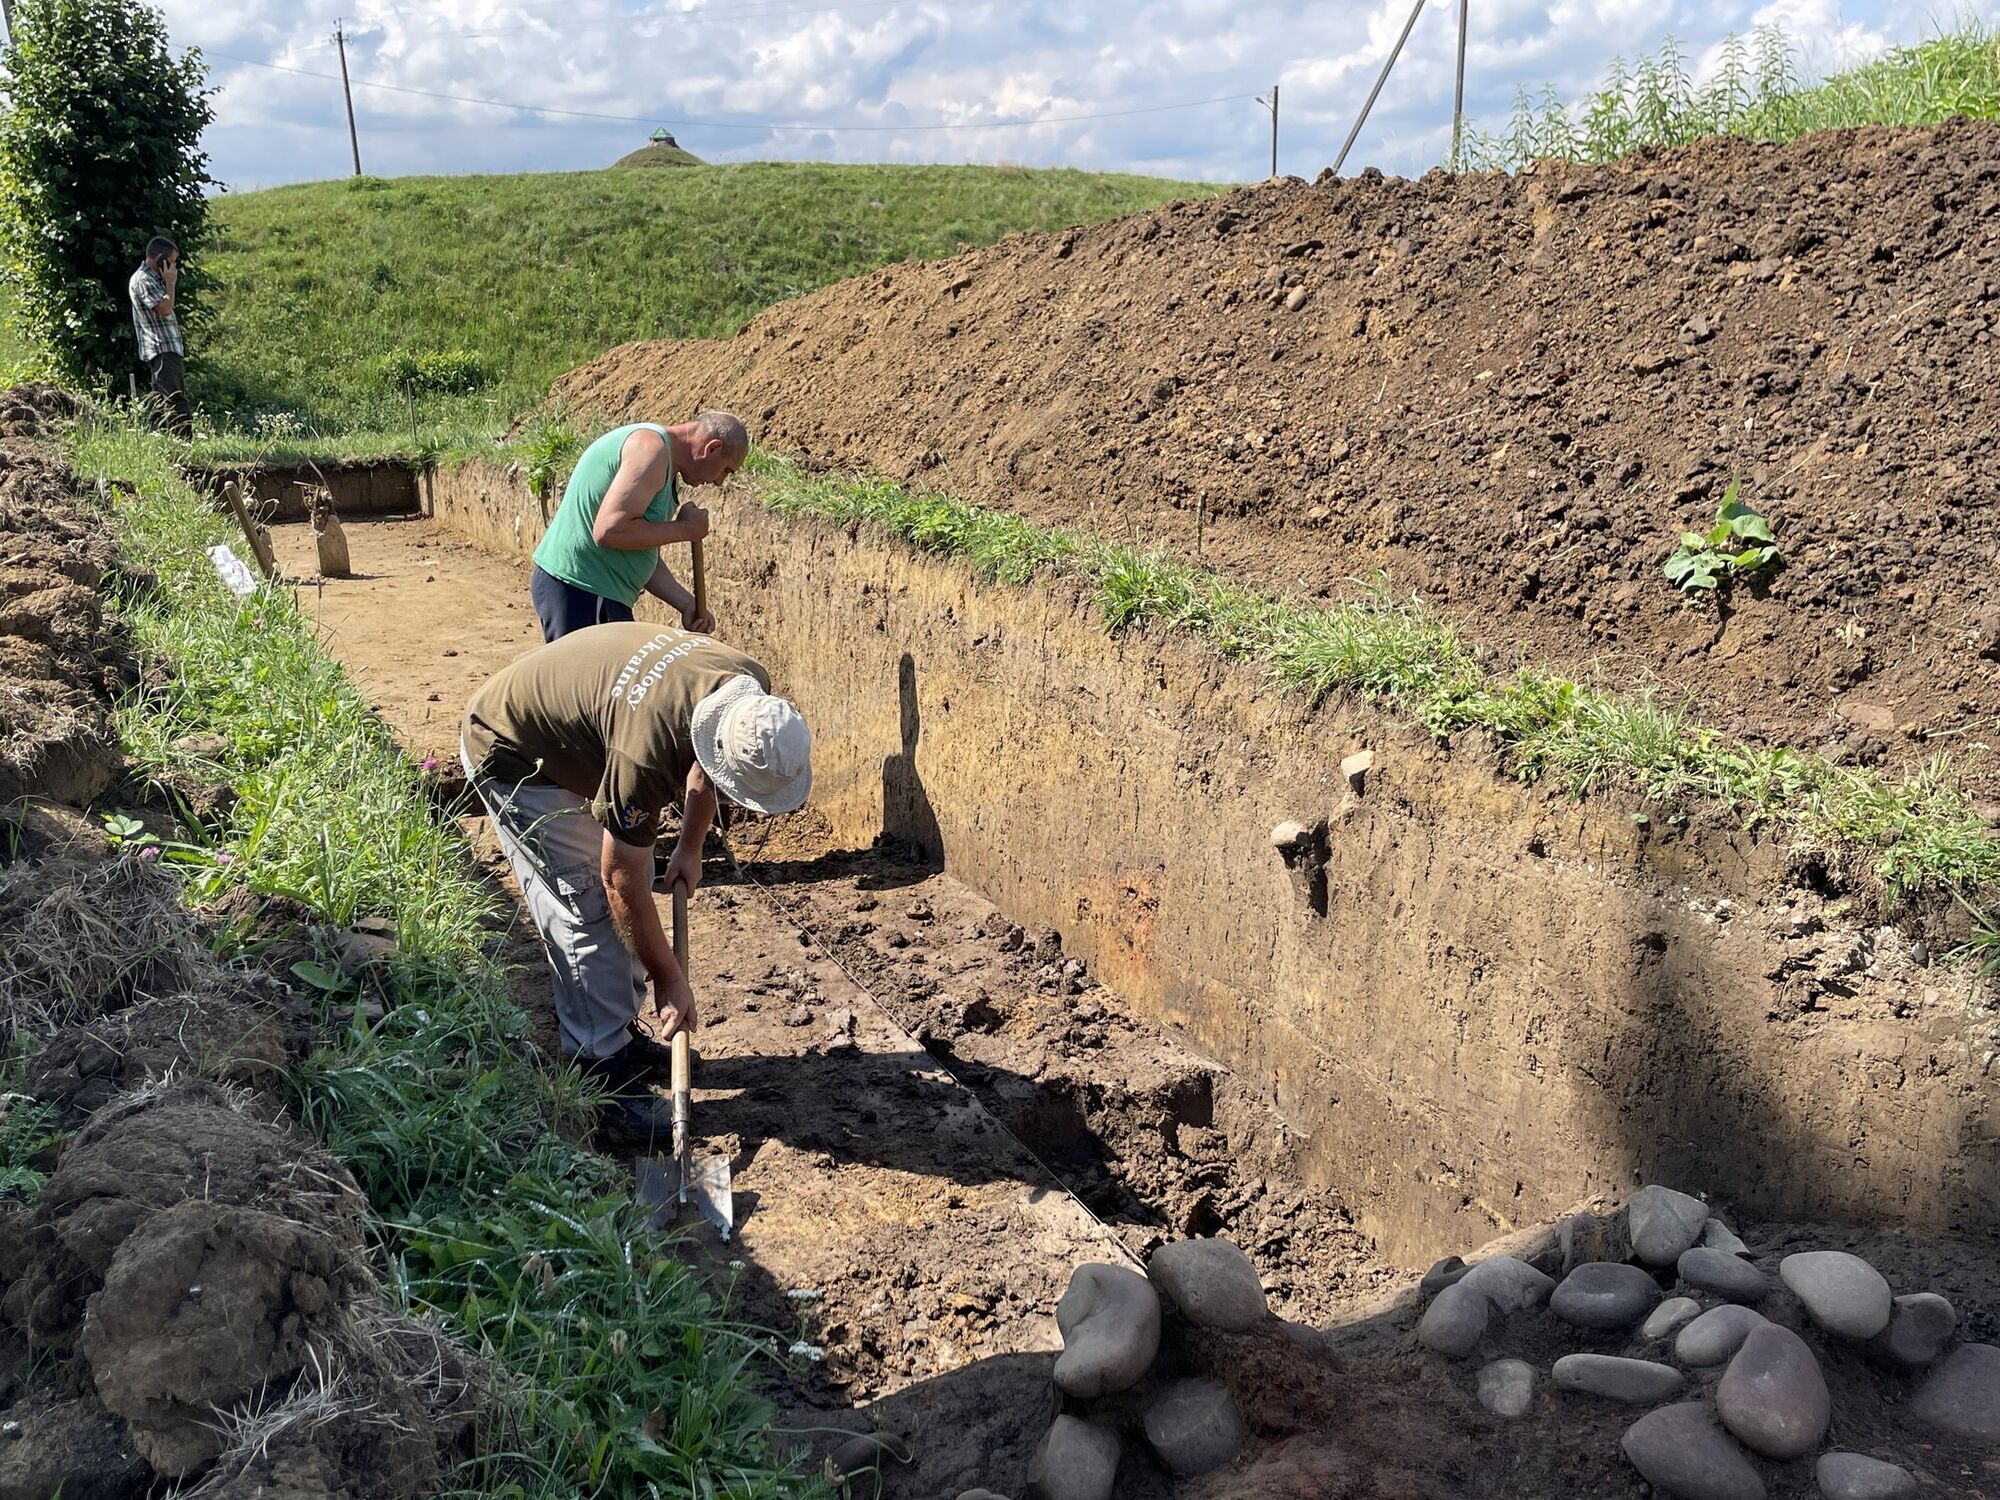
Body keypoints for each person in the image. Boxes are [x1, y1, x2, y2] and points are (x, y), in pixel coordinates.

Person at [461, 622, 811, 1142]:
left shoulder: (744, 686)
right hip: (517, 753)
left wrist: (690, 847)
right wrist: (669, 980)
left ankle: (618, 1038)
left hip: (580, 732)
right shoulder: (642, 756)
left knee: (634, 878)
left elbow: (702, 770)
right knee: (588, 906)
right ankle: (599, 1075)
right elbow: (616, 881)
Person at [530, 413, 749, 641]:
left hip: (593, 592)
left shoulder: (661, 462)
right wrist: (685, 529)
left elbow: (637, 552)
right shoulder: (651, 451)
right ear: (712, 448)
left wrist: (685, 603)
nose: (720, 482)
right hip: (582, 590)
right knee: (586, 677)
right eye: (726, 470)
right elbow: (611, 530)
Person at [128, 237, 191, 437]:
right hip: (161, 347)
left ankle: (164, 441)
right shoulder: (143, 279)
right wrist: (171, 283)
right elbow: (164, 308)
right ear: (160, 259)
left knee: (162, 400)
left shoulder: (154, 280)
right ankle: (183, 443)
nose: (173, 267)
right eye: (171, 261)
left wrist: (166, 281)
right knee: (174, 398)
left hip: (167, 347)